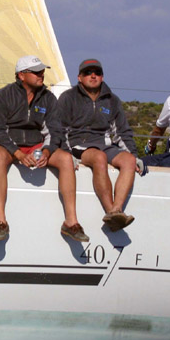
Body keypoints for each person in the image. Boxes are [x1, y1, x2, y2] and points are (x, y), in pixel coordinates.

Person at [0, 55, 87, 243]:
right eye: (36, 72)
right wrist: (17, 153)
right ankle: (0, 221)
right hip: (8, 146)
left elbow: (55, 131)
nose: (41, 74)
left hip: (37, 145)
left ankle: (71, 222)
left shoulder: (48, 98)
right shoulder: (2, 95)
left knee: (66, 158)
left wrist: (46, 151)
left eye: (42, 71)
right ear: (21, 75)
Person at [58, 58, 144, 232]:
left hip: (104, 143)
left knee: (128, 160)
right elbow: (60, 129)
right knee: (99, 157)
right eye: (88, 73)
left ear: (102, 77)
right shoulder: (68, 98)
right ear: (79, 77)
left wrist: (134, 156)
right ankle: (110, 211)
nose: (93, 76)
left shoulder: (112, 100)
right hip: (78, 144)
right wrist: (66, 154)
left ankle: (117, 210)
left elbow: (122, 132)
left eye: (97, 73)